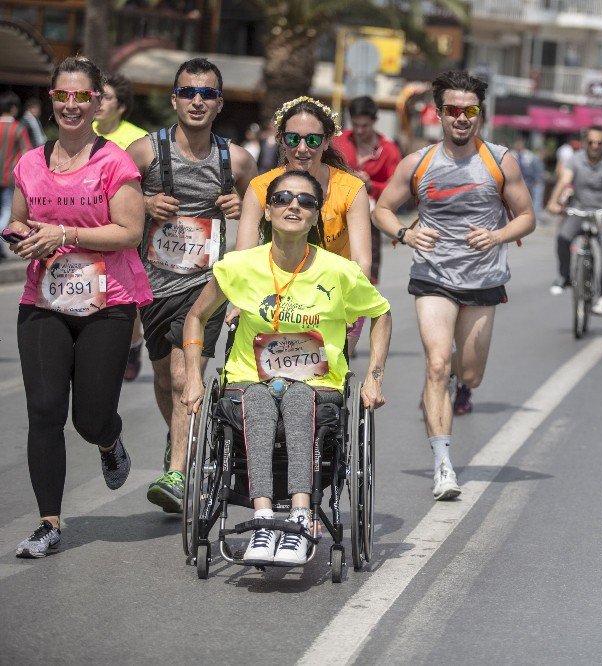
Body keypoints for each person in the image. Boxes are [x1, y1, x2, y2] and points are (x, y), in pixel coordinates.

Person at [180, 170, 391, 566]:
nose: (294, 206)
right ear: (267, 211)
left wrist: (374, 378)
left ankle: (300, 515)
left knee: (298, 398)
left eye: (306, 201)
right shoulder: (240, 266)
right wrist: (193, 377)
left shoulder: (339, 271)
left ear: (316, 216)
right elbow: (196, 316)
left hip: (317, 384)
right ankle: (263, 520)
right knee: (259, 400)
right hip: (249, 381)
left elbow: (381, 314)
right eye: (282, 198)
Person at [6, 56, 151, 558]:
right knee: (45, 411)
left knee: (89, 419)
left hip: (107, 304)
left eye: (81, 96)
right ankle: (48, 523)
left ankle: (109, 441)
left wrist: (65, 234)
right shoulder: (30, 162)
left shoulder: (115, 162)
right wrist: (20, 237)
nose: (71, 105)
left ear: (95, 102)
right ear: (53, 100)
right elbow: (19, 219)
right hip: (43, 301)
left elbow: (130, 231)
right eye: (62, 95)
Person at [372, 70, 535, 500]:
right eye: (453, 110)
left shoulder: (500, 161)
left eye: (470, 110)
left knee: (471, 374)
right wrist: (406, 234)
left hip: (483, 278)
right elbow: (382, 210)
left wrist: (497, 236)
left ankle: (458, 381)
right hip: (433, 276)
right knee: (437, 364)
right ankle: (443, 466)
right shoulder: (418, 163)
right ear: (439, 113)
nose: (461, 118)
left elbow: (526, 217)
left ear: (480, 114)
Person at [127, 57, 257, 512]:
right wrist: (144, 203)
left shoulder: (236, 159)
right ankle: (177, 437)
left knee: (187, 375)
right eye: (188, 92)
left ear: (220, 103)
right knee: (165, 378)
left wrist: (242, 206)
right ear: (174, 99)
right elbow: (113, 203)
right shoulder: (144, 152)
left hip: (208, 284)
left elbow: (261, 214)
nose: (197, 101)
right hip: (155, 284)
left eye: (207, 94)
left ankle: (178, 472)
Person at [236, 96, 372, 357]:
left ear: (327, 140)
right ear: (281, 139)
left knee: (328, 377)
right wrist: (240, 300)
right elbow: (244, 256)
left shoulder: (351, 189)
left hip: (337, 297)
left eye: (312, 140)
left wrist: (349, 305)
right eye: (293, 138)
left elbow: (362, 261)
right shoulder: (260, 187)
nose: (302, 148)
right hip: (275, 298)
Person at [94, 73, 149, 380]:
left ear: (122, 106)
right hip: (90, 229)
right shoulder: (81, 132)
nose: (99, 102)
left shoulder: (138, 139)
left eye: (107, 97)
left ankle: (133, 341)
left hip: (126, 228)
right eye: (96, 96)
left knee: (128, 297)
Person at [546, 125, 602, 316]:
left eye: (599, 143)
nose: (595, 146)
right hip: (578, 210)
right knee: (563, 238)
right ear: (585, 142)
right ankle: (565, 277)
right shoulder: (575, 159)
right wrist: (553, 202)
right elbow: (564, 181)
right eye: (591, 142)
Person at [332, 95, 402, 286]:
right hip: (334, 212)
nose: (359, 130)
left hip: (368, 217)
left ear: (374, 121)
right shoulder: (338, 141)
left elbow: (396, 190)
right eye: (355, 125)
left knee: (363, 276)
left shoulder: (388, 149)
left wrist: (371, 186)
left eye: (365, 126)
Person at [0, 92, 32, 261]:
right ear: (13, 108)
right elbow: (27, 152)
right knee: (6, 210)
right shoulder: (18, 128)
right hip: (8, 177)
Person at [512, 137, 544, 214]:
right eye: (517, 144)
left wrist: (536, 179)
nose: (518, 146)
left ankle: (534, 215)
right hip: (515, 181)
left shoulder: (529, 155)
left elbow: (532, 169)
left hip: (528, 181)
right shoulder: (511, 154)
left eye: (520, 145)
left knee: (533, 198)